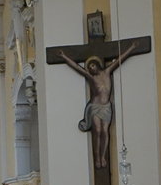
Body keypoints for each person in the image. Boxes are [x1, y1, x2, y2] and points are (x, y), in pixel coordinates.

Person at [53, 40, 139, 169]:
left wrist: (132, 48)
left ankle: (103, 156)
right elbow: (77, 67)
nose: (91, 68)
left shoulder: (107, 71)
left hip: (106, 107)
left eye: (92, 66)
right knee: (97, 131)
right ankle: (97, 158)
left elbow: (120, 59)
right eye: (89, 67)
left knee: (105, 131)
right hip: (95, 107)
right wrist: (64, 57)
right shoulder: (91, 78)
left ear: (98, 65)